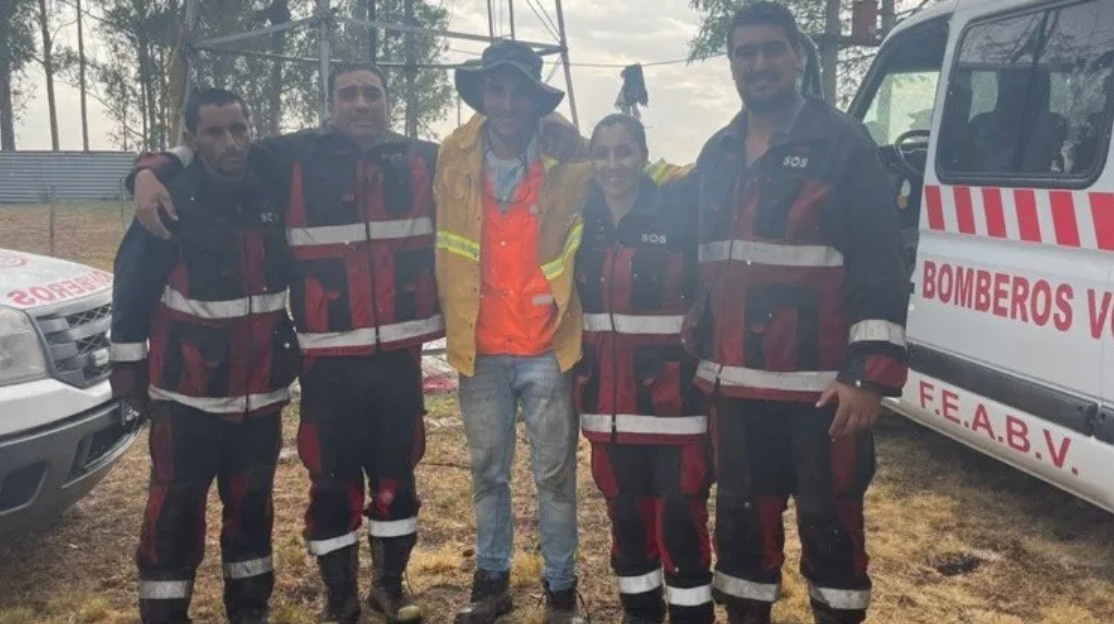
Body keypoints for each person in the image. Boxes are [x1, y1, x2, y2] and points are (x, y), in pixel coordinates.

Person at [127, 64, 441, 624]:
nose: (361, 104)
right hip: (326, 362)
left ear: (390, 103)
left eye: (373, 94)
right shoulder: (290, 156)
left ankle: (389, 586)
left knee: (398, 480)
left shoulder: (424, 159)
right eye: (348, 94)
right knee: (330, 481)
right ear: (329, 105)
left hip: (398, 359)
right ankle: (340, 597)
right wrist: (146, 174)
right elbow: (208, 148)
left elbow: (495, 153)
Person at [680, 3, 910, 624]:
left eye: (771, 50)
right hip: (735, 392)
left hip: (822, 395)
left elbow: (879, 262)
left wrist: (868, 375)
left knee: (830, 525)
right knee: (741, 528)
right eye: (744, 53)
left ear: (798, 56)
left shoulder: (841, 145)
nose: (758, 64)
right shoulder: (719, 152)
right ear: (731, 64)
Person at [109, 88, 299, 624]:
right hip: (186, 397)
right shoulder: (171, 196)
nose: (230, 141)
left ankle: (250, 611)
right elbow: (132, 285)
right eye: (214, 132)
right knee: (174, 513)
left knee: (252, 511)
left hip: (260, 396)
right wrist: (128, 372)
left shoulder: (269, 185)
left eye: (239, 128)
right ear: (190, 139)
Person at [433, 40, 591, 624]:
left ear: (533, 99)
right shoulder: (453, 153)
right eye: (495, 89)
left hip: (547, 347)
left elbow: (629, 165)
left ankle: (560, 591)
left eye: (517, 90)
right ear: (482, 95)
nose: (506, 103)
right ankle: (492, 582)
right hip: (481, 348)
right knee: (487, 473)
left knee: (554, 476)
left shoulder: (566, 148)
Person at [574, 113, 713, 624]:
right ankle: (640, 614)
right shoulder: (578, 220)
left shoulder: (678, 214)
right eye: (603, 153)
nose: (613, 164)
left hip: (674, 406)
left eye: (624, 151)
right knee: (627, 521)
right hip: (607, 409)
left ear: (643, 155)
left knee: (681, 519)